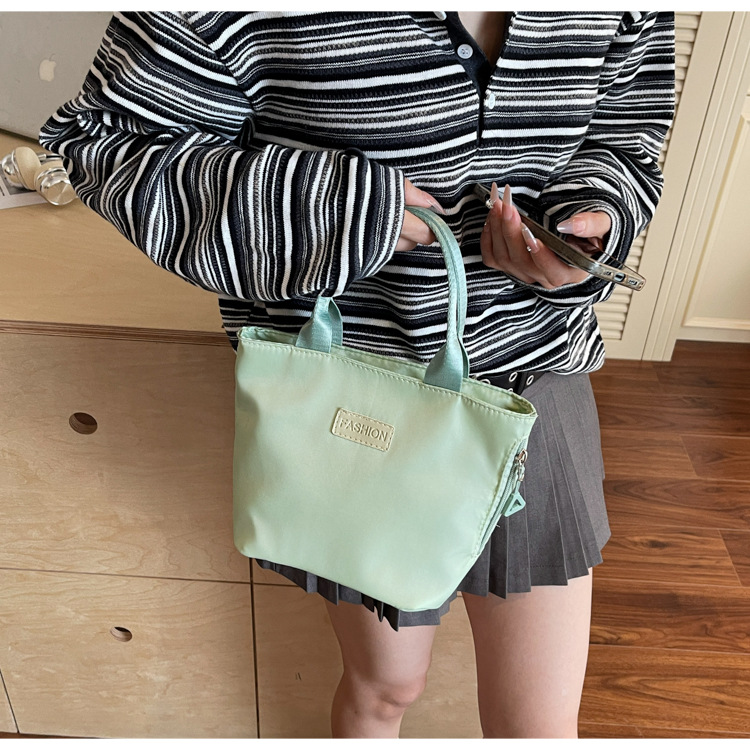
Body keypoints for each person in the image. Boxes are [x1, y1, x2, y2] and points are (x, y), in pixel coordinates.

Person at [40, 11, 675, 738]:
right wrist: (334, 208)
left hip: (536, 381)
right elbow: (107, 146)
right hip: (352, 400)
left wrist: (591, 221)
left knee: (540, 725)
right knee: (386, 687)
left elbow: (629, 129)